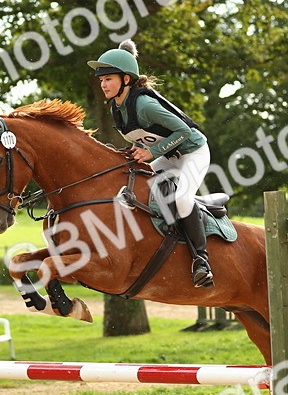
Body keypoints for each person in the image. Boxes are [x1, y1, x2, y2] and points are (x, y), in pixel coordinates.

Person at [88, 39, 214, 288]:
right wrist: (141, 151)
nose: (103, 84)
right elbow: (145, 138)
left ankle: (202, 261)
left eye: (108, 79)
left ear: (126, 79)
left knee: (182, 198)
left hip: (193, 153)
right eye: (101, 80)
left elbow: (184, 132)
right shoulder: (117, 107)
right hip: (168, 156)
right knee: (126, 192)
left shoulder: (144, 104)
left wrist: (152, 152)